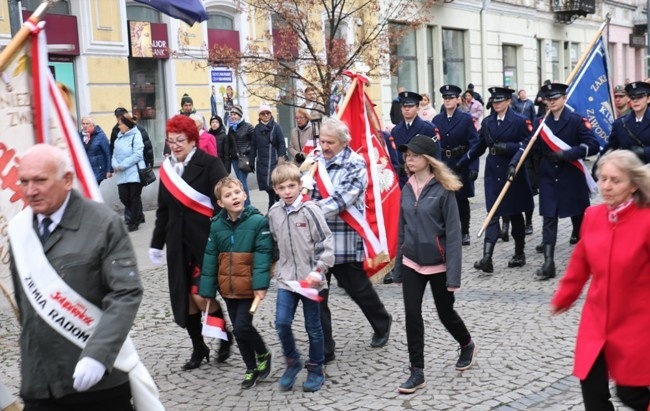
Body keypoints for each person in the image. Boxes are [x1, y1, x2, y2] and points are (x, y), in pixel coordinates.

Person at [10, 144, 144, 410]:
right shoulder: (19, 229)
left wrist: (98, 355)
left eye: (40, 180)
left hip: (98, 384)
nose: (30, 190)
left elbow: (126, 293)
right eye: (24, 181)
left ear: (67, 180)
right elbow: (26, 307)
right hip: (40, 382)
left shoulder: (103, 222)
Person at [550, 150, 650, 411]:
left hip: (635, 322)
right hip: (596, 320)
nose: (606, 186)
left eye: (615, 180)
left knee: (631, 394)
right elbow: (580, 263)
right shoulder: (593, 216)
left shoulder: (646, 221)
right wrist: (565, 296)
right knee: (592, 392)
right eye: (603, 178)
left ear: (633, 185)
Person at [301, 117, 393, 364]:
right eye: (322, 140)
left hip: (343, 238)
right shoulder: (315, 160)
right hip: (317, 241)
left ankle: (382, 322)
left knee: (357, 289)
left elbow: (342, 200)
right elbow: (302, 191)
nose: (325, 145)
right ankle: (325, 347)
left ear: (343, 142)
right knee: (317, 294)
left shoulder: (356, 163)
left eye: (330, 142)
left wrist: (309, 208)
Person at [393, 135, 477, 394]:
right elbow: (402, 229)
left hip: (438, 264)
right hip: (411, 262)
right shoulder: (406, 189)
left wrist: (454, 276)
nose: (409, 160)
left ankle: (466, 343)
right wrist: (398, 266)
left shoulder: (443, 190)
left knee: (445, 313)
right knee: (412, 315)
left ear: (427, 160)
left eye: (415, 156)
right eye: (407, 156)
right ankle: (417, 371)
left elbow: (453, 235)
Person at [149, 114, 231, 370]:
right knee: (184, 299)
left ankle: (224, 336)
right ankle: (199, 347)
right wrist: (156, 242)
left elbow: (224, 201)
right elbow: (164, 210)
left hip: (204, 243)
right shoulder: (167, 170)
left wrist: (218, 235)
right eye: (171, 140)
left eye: (180, 140)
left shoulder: (210, 164)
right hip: (178, 244)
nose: (174, 145)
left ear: (193, 140)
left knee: (200, 295)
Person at [199, 177, 274, 390]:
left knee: (241, 327)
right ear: (221, 203)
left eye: (236, 192)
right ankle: (251, 367)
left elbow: (263, 254)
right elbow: (211, 256)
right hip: (227, 287)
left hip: (249, 285)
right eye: (228, 195)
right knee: (240, 330)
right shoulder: (216, 225)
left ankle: (263, 354)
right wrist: (208, 289)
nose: (234, 197)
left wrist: (261, 284)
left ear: (244, 194)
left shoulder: (258, 222)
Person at [267, 163, 335, 393]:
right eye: (282, 187)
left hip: (310, 280)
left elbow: (325, 242)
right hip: (287, 280)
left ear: (299, 185)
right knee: (281, 322)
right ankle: (292, 361)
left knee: (313, 327)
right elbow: (276, 242)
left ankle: (316, 368)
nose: (287, 191)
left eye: (291, 186)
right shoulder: (274, 212)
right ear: (275, 189)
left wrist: (319, 269)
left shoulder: (310, 210)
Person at [457, 87, 534, 273]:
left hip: (512, 171)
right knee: (492, 212)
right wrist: (462, 162)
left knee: (515, 213)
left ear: (509, 101)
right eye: (494, 101)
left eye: (500, 101)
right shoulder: (488, 122)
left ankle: (519, 252)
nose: (496, 104)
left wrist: (507, 147)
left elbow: (529, 144)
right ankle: (487, 257)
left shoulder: (520, 121)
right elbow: (479, 146)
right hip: (493, 172)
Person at [533, 82, 599, 281]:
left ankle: (585, 256)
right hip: (548, 176)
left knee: (578, 217)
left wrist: (567, 154)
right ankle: (548, 262)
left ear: (564, 98)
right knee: (548, 217)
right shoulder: (541, 123)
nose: (551, 102)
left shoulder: (577, 120)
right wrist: (516, 162)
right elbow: (529, 146)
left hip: (571, 175)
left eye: (555, 98)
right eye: (549, 99)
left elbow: (592, 145)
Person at [433, 85, 480, 246]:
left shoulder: (466, 119)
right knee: (443, 200)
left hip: (461, 163)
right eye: (445, 98)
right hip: (443, 165)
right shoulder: (437, 120)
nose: (447, 100)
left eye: (451, 98)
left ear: (458, 100)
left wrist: (473, 166)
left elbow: (475, 144)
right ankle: (446, 231)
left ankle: (465, 231)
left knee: (461, 199)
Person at [386, 91, 441, 187]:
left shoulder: (428, 128)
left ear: (417, 108)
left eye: (410, 106)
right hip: (403, 179)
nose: (407, 109)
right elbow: (395, 157)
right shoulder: (396, 130)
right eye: (404, 106)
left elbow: (436, 156)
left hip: (423, 177)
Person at [111, 112, 146, 232]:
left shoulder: (136, 135)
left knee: (134, 197)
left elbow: (138, 154)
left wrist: (123, 165)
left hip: (134, 171)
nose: (118, 126)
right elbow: (114, 154)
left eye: (120, 124)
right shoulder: (118, 138)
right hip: (122, 173)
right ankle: (139, 214)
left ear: (126, 125)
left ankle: (134, 221)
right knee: (124, 197)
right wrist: (115, 165)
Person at [251, 104, 287, 211]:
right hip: (262, 161)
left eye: (268, 113)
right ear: (260, 115)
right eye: (263, 113)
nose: (266, 115)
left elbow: (281, 143)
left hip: (274, 160)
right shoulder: (257, 129)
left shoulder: (276, 127)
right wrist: (251, 160)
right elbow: (253, 146)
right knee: (266, 185)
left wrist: (281, 158)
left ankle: (271, 207)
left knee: (272, 184)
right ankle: (276, 199)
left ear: (271, 114)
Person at [602, 81, 650, 162]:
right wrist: (598, 167)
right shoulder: (620, 123)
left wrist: (644, 152)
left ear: (648, 99)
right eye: (632, 97)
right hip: (628, 170)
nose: (635, 101)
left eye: (640, 97)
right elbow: (610, 148)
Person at [228, 104, 255, 206]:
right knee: (239, 182)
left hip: (245, 159)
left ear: (240, 115)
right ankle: (244, 204)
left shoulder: (248, 127)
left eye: (235, 114)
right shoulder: (231, 128)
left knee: (242, 182)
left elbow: (254, 143)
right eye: (232, 114)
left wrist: (246, 151)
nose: (233, 116)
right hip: (235, 159)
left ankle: (247, 205)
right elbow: (230, 143)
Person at [79, 115, 111, 185]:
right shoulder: (80, 136)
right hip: (84, 169)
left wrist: (109, 170)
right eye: (83, 124)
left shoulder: (100, 136)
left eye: (87, 124)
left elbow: (108, 153)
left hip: (97, 170)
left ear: (93, 125)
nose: (85, 126)